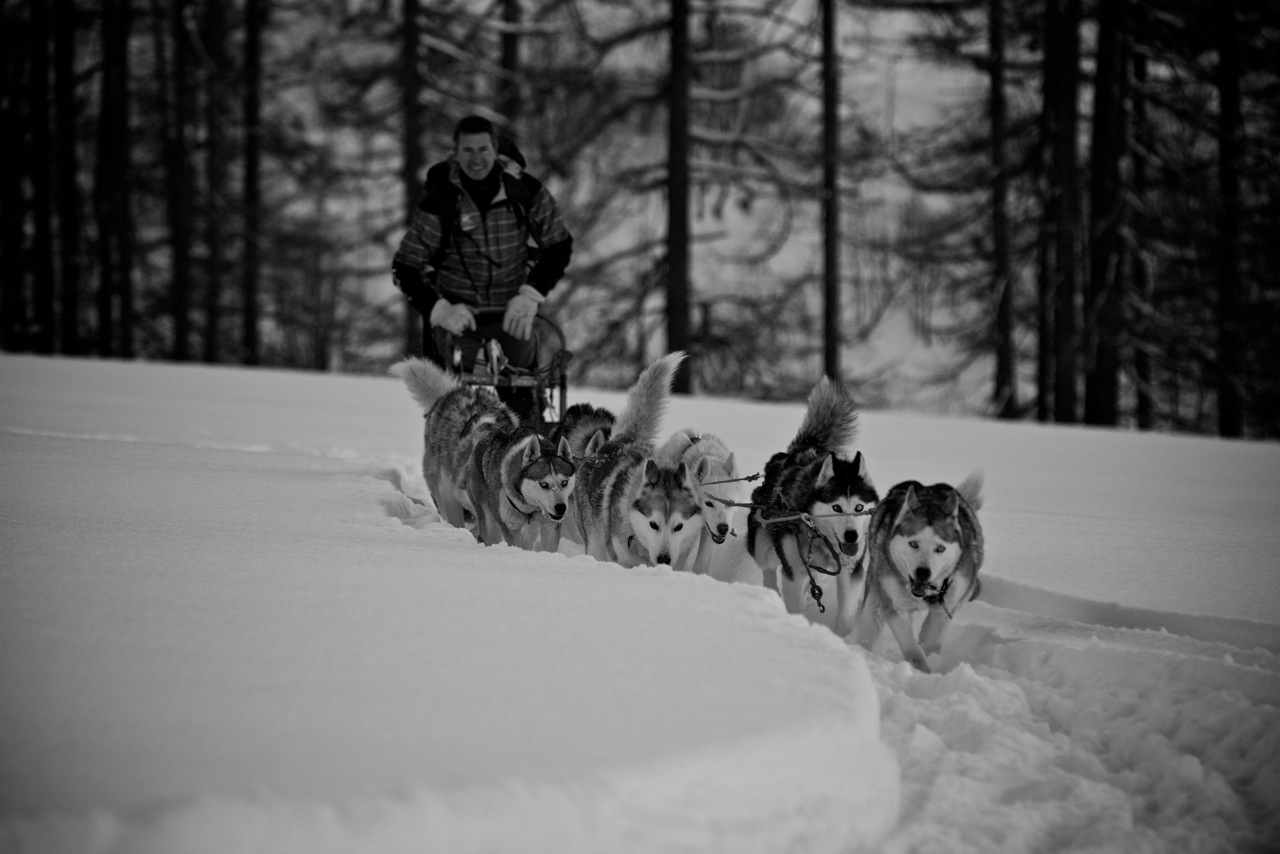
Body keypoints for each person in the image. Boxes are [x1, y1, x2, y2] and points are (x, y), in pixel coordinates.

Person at [391, 115, 573, 419]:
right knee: (456, 399)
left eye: (483, 149)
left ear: (495, 149)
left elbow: (559, 245)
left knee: (522, 389)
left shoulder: (525, 192)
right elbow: (405, 267)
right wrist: (439, 309)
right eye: (469, 150)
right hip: (458, 317)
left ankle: (529, 447)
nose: (477, 158)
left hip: (512, 310)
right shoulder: (441, 199)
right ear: (457, 152)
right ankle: (454, 451)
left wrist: (531, 294)